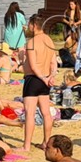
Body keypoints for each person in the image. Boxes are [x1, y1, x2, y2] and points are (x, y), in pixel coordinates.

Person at [19, 15, 58, 152]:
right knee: (46, 113)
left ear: (34, 25)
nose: (28, 27)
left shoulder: (32, 42)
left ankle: (26, 146)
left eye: (29, 24)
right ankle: (46, 142)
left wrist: (44, 78)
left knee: (30, 113)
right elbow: (54, 63)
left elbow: (34, 66)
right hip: (45, 78)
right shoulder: (49, 40)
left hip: (34, 79)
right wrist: (51, 77)